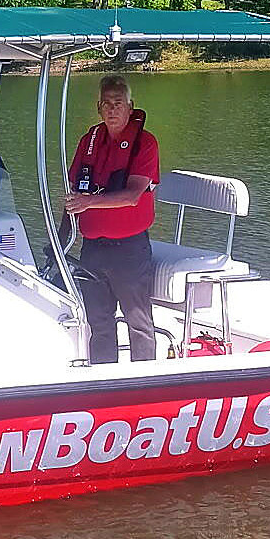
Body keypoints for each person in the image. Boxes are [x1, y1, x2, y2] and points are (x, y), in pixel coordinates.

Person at [64, 74, 160, 364]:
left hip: (129, 249)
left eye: (118, 103)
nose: (112, 109)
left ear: (131, 107)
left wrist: (89, 201)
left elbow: (132, 195)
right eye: (106, 104)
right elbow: (73, 194)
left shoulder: (145, 143)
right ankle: (103, 383)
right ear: (98, 108)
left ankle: (145, 385)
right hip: (93, 247)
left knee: (138, 322)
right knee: (98, 322)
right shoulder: (89, 141)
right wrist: (61, 238)